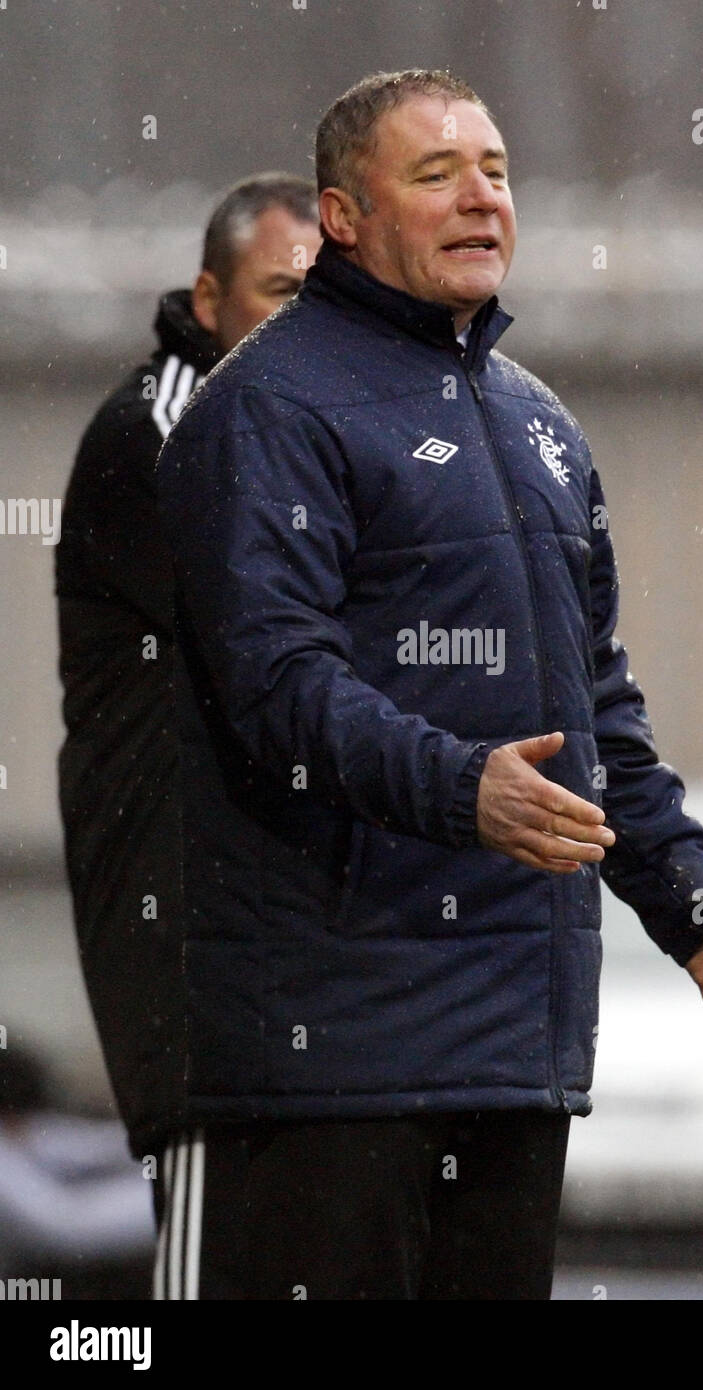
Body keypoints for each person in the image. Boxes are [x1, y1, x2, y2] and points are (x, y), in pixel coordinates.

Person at [153, 71, 703, 1301]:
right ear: (344, 217)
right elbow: (277, 687)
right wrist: (465, 791)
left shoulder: (537, 420)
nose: (481, 199)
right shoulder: (267, 411)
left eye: (497, 171)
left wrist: (686, 896)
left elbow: (595, 702)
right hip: (331, 1051)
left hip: (515, 1047)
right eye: (436, 173)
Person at [54, 174, 322, 1191]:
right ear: (208, 302)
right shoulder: (163, 434)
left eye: (326, 295)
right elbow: (281, 633)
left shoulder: (316, 435)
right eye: (280, 294)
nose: (304, 326)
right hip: (194, 945)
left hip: (297, 957)